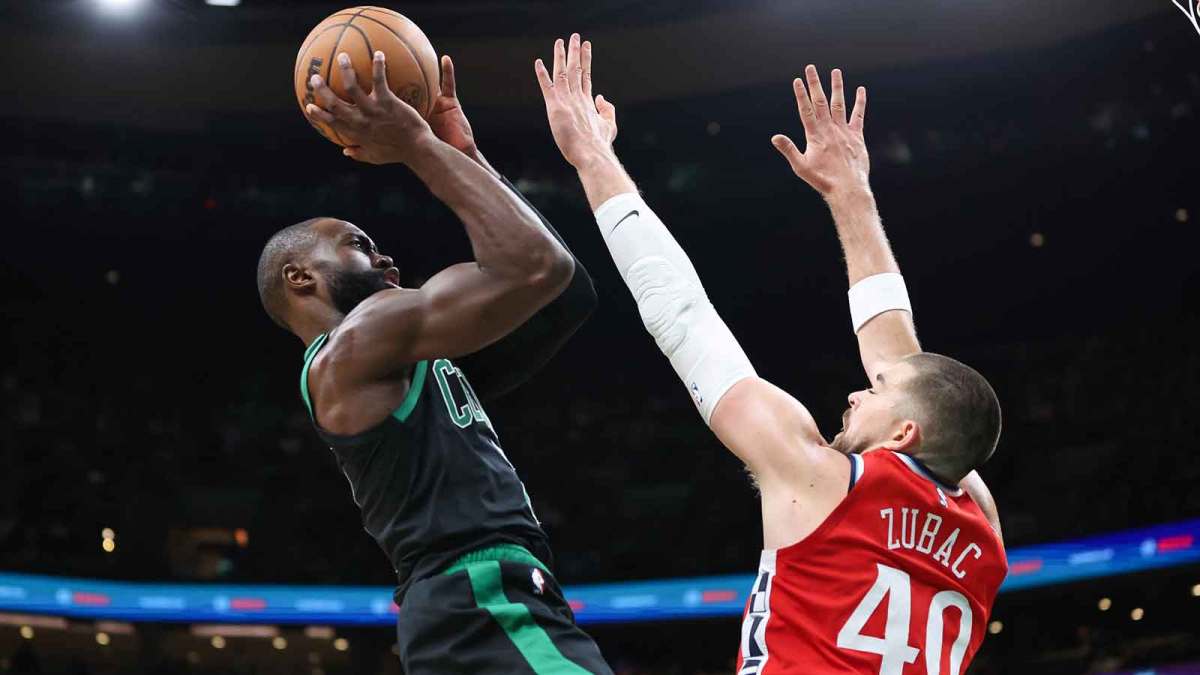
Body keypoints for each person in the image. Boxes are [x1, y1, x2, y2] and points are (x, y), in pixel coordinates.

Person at [534, 34, 1007, 674]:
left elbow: (683, 319)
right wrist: (849, 194)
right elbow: (907, 368)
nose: (856, 391)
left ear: (903, 433)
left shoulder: (819, 479)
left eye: (874, 392)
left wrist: (592, 157)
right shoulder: (984, 530)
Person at [258, 50, 613, 674]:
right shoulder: (356, 345)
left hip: (478, 602)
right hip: (478, 598)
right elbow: (538, 267)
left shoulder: (407, 358)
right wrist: (418, 145)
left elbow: (565, 292)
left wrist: (464, 155)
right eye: (361, 247)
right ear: (300, 277)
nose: (386, 260)